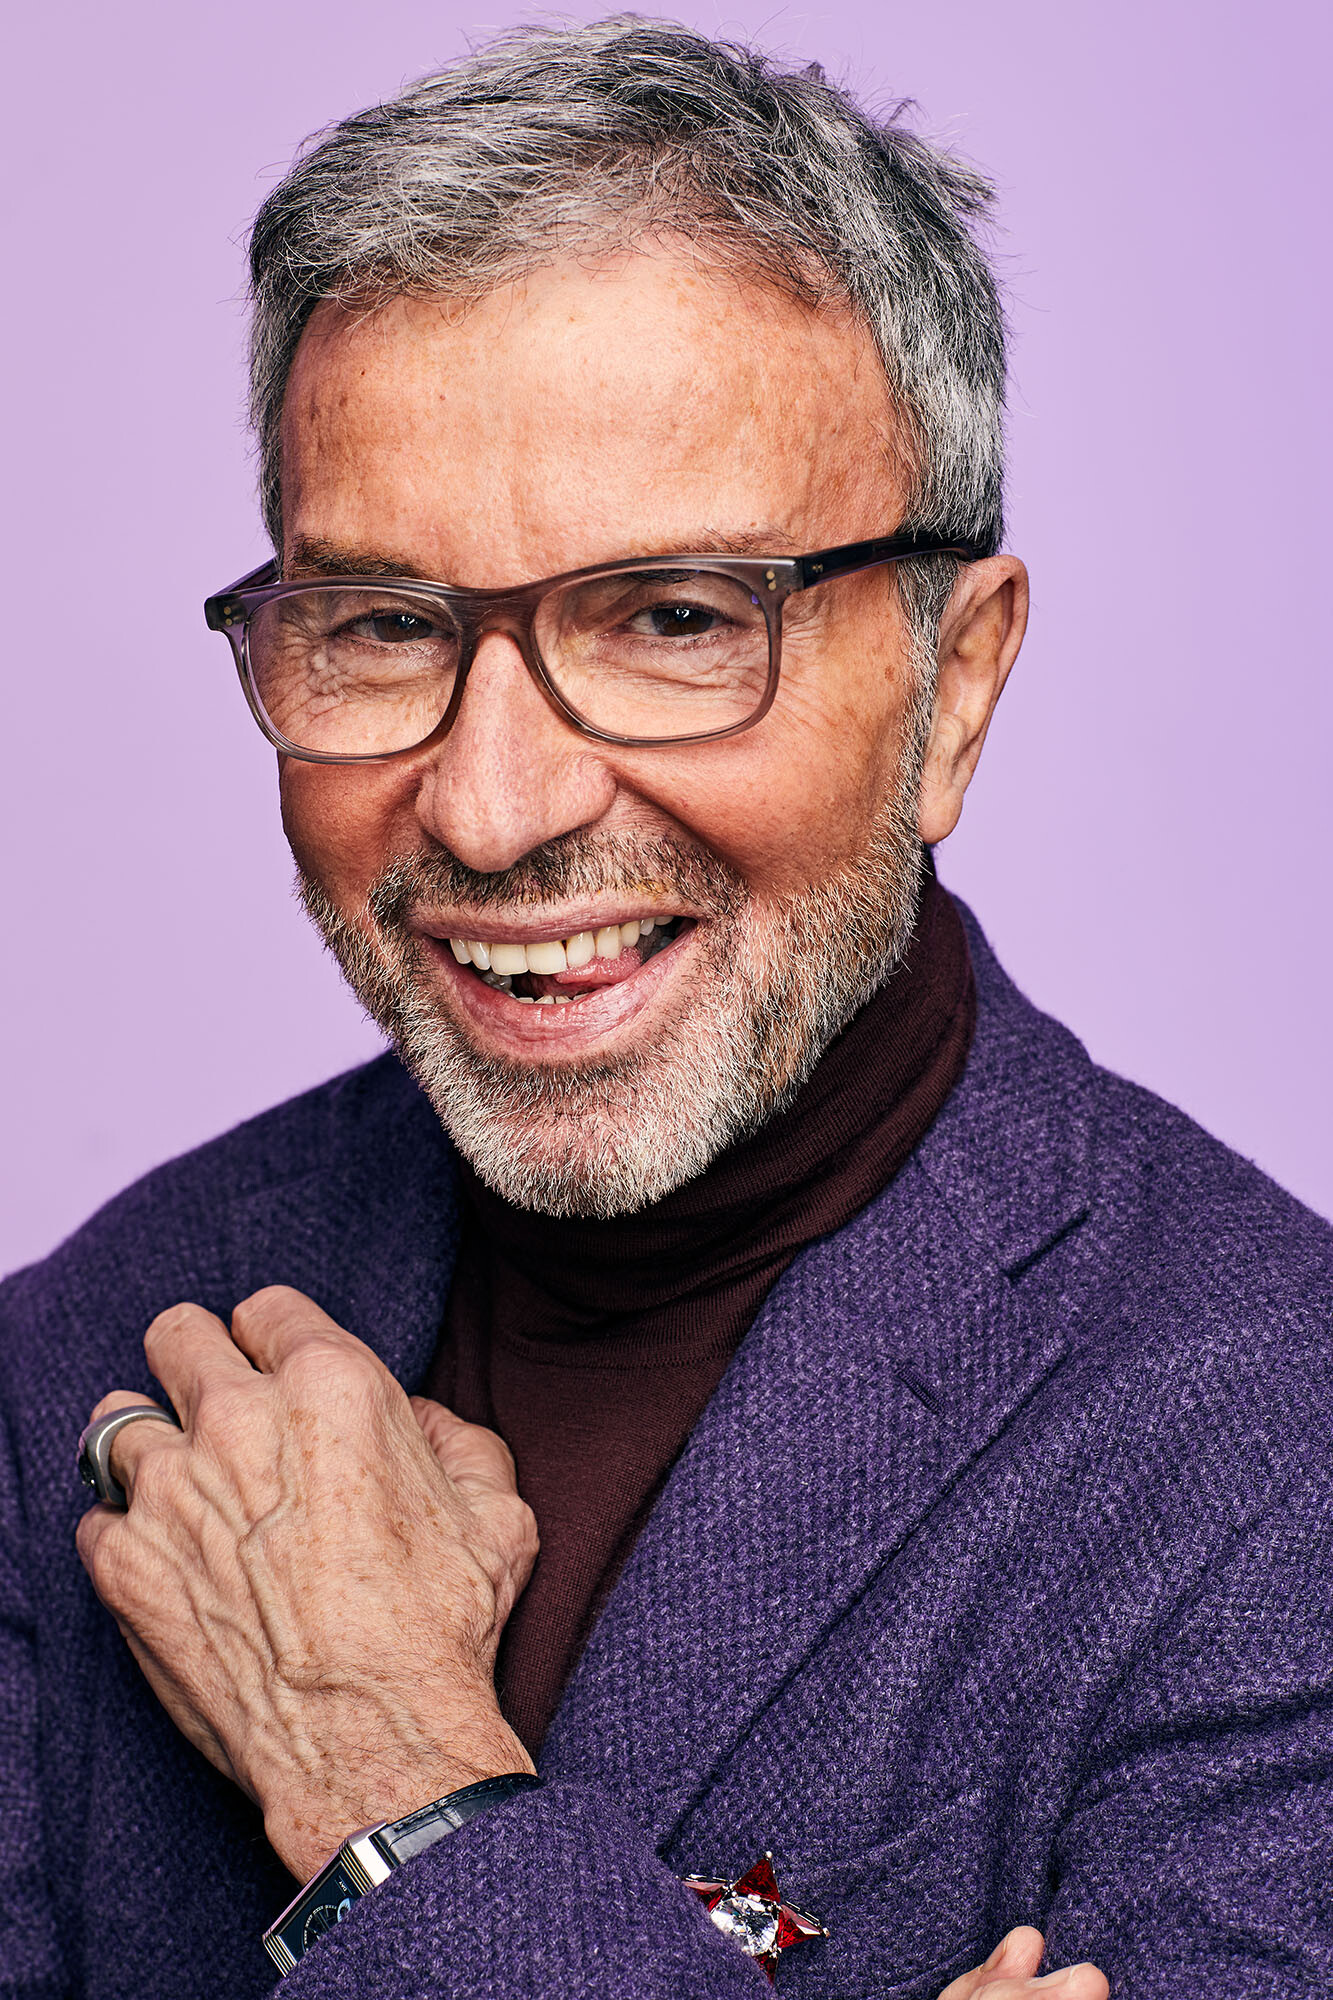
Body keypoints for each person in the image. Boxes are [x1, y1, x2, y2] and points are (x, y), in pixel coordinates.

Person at [2, 16, 1330, 1998]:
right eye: (382, 625)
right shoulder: (81, 1354)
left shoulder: (1277, 1454)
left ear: (954, 686)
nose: (493, 806)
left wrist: (386, 1777)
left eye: (675, 618)